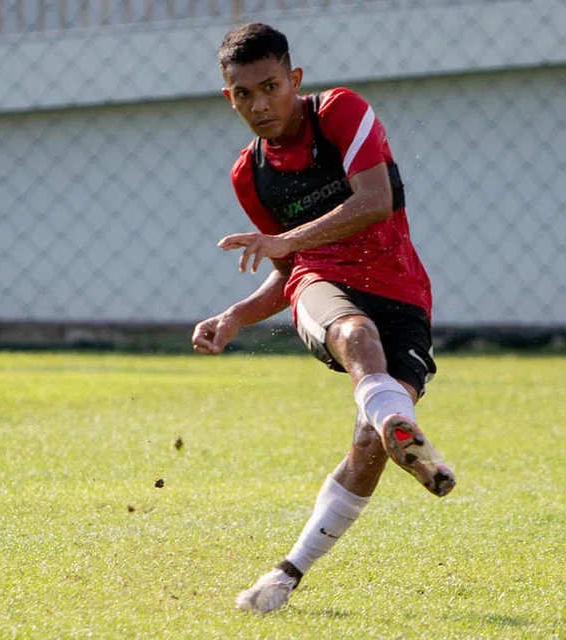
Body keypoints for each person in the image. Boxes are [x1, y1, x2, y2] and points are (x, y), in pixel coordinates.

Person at [191, 22, 456, 614]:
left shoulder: (341, 112)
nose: (260, 105)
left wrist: (285, 238)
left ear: (295, 80)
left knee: (369, 441)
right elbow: (289, 269)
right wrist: (235, 316)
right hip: (323, 287)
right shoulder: (249, 173)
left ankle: (285, 574)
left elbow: (375, 200)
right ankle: (396, 420)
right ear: (227, 97)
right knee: (356, 335)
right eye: (243, 94)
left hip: (403, 292)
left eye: (270, 86)